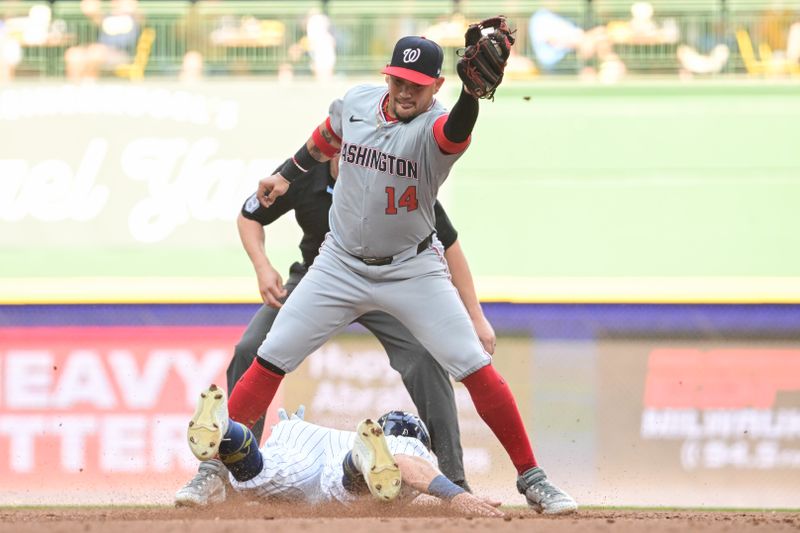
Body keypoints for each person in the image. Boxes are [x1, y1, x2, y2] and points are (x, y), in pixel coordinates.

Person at [199, 32, 578, 514]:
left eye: (417, 85)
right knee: (270, 356)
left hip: (411, 269)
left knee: (473, 366)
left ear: (435, 87)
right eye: (399, 79)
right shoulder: (357, 102)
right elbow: (322, 140)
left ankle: (533, 478)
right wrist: (285, 176)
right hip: (337, 263)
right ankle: (214, 464)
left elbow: (456, 130)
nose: (405, 91)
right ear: (388, 75)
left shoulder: (434, 128)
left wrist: (471, 96)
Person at [175, 157, 492, 506]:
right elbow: (250, 215)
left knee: (424, 358)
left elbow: (448, 244)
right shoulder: (304, 171)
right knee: (252, 347)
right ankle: (220, 469)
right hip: (319, 281)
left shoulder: (398, 176)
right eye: (339, 138)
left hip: (387, 285)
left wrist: (475, 317)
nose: (350, 145)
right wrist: (263, 267)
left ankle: (455, 482)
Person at [186, 385, 503, 516]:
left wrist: (289, 433)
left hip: (301, 436)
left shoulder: (312, 433)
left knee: (256, 472)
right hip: (353, 455)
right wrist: (459, 496)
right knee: (354, 484)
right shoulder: (409, 443)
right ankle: (360, 461)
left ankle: (227, 430)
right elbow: (407, 462)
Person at [64, 0, 141, 82]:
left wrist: (129, 8)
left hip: (122, 55)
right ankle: (74, 85)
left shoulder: (134, 17)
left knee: (96, 52)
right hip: (100, 50)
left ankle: (89, 82)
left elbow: (139, 15)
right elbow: (91, 11)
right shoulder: (106, 17)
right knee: (73, 54)